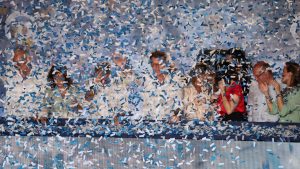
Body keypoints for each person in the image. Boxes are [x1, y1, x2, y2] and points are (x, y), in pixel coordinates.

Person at [140, 51, 184, 121]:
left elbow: (179, 103)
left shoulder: (175, 81)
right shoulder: (145, 82)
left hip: (169, 123)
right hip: (148, 122)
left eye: (159, 64)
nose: (156, 67)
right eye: (154, 64)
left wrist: (176, 115)